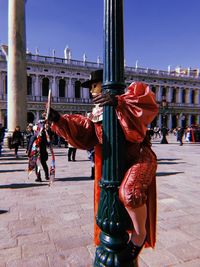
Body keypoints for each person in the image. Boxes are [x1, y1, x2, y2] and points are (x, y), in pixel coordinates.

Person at [46, 69, 158, 260]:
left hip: (139, 158)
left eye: (94, 86)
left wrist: (119, 103)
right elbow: (85, 131)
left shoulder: (129, 99)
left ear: (105, 84)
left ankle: (139, 236)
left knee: (130, 192)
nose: (91, 91)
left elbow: (145, 108)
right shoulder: (97, 112)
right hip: (114, 166)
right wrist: (58, 119)